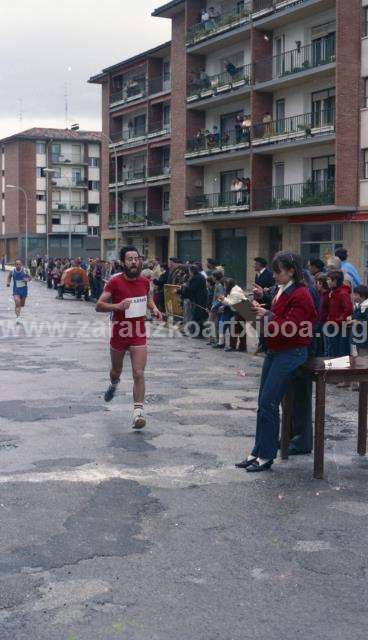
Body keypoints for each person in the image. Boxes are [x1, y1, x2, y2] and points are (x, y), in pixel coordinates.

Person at [236, 252, 317, 472]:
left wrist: (265, 315)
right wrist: (258, 312)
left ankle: (266, 455)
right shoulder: (283, 290)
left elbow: (290, 327)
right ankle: (257, 451)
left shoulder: (301, 294)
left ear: (291, 271)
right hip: (277, 350)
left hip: (291, 351)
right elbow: (278, 320)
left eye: (278, 271)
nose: (274, 275)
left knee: (269, 403)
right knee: (264, 403)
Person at [96, 246, 162, 430]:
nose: (134, 262)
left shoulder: (144, 281)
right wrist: (117, 306)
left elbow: (148, 299)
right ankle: (114, 383)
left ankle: (138, 413)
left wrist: (154, 309)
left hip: (138, 333)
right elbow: (99, 305)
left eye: (136, 258)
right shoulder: (114, 282)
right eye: (130, 259)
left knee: (138, 373)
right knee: (116, 371)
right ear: (123, 262)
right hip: (119, 332)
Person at [325, 269, 353, 358]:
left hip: (340, 326)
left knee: (340, 351)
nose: (327, 281)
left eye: (329, 279)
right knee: (333, 349)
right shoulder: (332, 292)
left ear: (335, 281)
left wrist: (338, 320)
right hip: (332, 324)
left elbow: (348, 310)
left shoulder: (342, 293)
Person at [6, 259, 31, 323]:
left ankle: (18, 310)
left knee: (21, 304)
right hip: (16, 290)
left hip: (24, 290)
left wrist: (26, 279)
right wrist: (8, 282)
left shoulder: (25, 270)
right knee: (17, 302)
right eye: (17, 264)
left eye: (19, 264)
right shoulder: (13, 271)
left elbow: (30, 278)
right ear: (15, 265)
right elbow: (9, 277)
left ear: (21, 265)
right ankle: (18, 317)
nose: (18, 265)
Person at [351, 285, 368, 357]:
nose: (353, 296)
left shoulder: (366, 306)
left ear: (362, 296)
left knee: (363, 358)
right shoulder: (360, 305)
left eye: (355, 294)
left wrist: (356, 321)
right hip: (358, 337)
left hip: (363, 338)